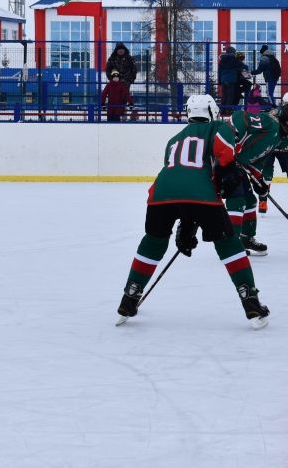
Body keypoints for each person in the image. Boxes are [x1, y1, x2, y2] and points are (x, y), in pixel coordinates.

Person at [114, 94, 270, 329]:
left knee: (153, 242)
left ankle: (130, 295)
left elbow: (180, 172)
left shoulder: (174, 139)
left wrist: (188, 221)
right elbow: (225, 156)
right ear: (212, 111)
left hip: (161, 195)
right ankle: (250, 299)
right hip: (201, 195)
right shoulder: (218, 127)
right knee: (228, 243)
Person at [228, 103, 288, 254]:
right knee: (237, 200)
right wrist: (232, 139)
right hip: (226, 162)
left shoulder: (278, 138)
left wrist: (260, 181)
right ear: (287, 121)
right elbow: (241, 115)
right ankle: (232, 245)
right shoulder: (270, 122)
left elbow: (257, 160)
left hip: (238, 165)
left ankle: (246, 239)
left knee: (250, 200)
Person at [218, 46, 244, 115]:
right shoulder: (234, 59)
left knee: (224, 95)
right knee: (230, 95)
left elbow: (219, 71)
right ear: (233, 52)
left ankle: (222, 110)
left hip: (223, 80)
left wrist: (219, 81)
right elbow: (241, 66)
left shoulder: (222, 60)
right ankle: (228, 110)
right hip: (231, 80)